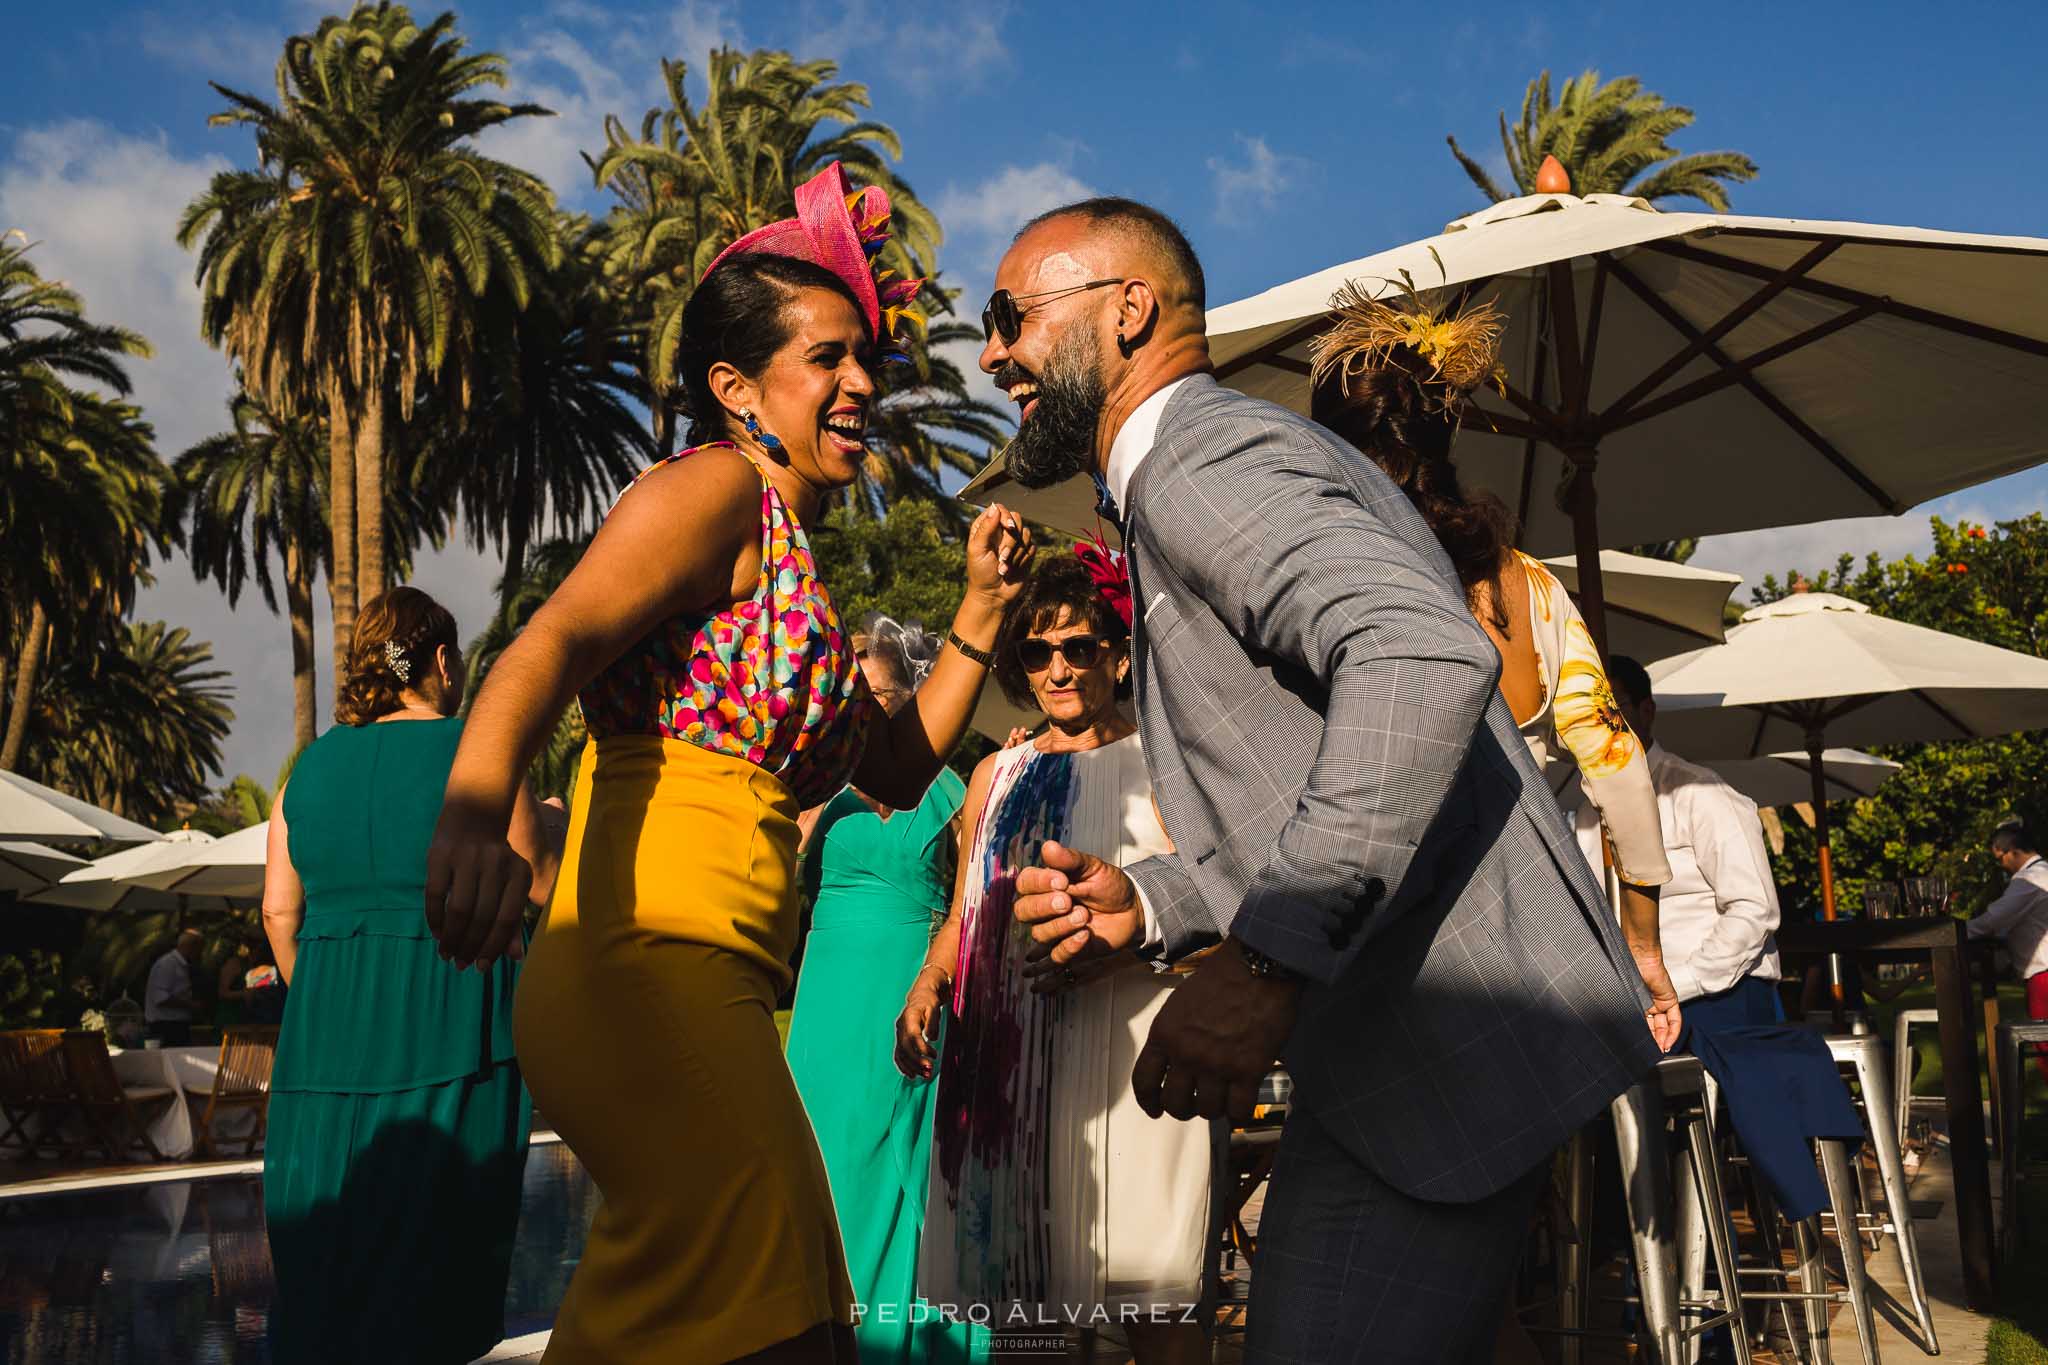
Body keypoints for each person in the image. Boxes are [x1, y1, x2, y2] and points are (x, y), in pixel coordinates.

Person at [990, 198, 1662, 1362]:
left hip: (1434, 1044)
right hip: (1396, 1053)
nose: (990, 352)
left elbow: (1420, 660)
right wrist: (1154, 901)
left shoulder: (1196, 454)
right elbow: (1296, 767)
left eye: (1008, 316)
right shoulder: (1183, 477)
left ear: (1128, 309)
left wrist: (1261, 965)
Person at [424, 163, 1032, 1365]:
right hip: (643, 960)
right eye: (827, 358)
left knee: (771, 1295)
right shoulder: (710, 491)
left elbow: (893, 771)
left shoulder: (787, 554)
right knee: (775, 1309)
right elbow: (551, 638)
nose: (862, 382)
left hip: (712, 972)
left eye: (869, 358)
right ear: (734, 387)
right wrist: (473, 811)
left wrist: (978, 613)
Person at [1308, 284, 1679, 1049]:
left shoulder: (1332, 585)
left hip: (1375, 958)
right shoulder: (1531, 587)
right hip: (1526, 949)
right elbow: (1620, 767)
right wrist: (1643, 943)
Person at [905, 553, 1214, 1365]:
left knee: (1159, 1304)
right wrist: (932, 977)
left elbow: (1215, 914)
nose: (1059, 668)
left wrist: (1126, 948)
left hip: (1134, 1067)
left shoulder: (1170, 770)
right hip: (1013, 1075)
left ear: (1118, 653)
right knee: (1026, 1321)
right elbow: (969, 910)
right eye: (1038, 653)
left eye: (1079, 646)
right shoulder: (993, 775)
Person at [261, 586, 560, 1365]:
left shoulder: (306, 772)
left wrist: (328, 996)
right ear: (438, 660)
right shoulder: (475, 755)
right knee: (436, 1291)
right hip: (451, 1028)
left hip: (318, 1054)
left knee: (325, 1289)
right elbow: (540, 879)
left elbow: (277, 915)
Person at [785, 616, 987, 1365]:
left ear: (913, 697)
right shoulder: (818, 786)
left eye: (879, 695)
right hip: (827, 1003)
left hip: (908, 992)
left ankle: (906, 1341)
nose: (862, 709)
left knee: (903, 1169)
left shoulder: (955, 792)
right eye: (854, 696)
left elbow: (970, 905)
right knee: (829, 1162)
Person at [1573, 656, 1780, 1038]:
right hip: (1627, 1006)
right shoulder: (1586, 813)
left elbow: (1755, 908)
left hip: (1720, 994)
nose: (1600, 722)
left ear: (1646, 710)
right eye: (1588, 712)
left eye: (1612, 706)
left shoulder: (1699, 791)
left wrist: (1685, 981)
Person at [1971, 821, 2048, 1080]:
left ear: (2011, 850)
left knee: (2046, 1048)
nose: (2001, 865)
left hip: (2045, 975)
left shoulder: (2030, 879)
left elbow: (1994, 920)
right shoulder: (2043, 872)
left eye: (1999, 858)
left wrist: (1955, 932)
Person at [143, 929, 203, 1046]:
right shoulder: (167, 964)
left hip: (177, 1024)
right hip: (166, 1026)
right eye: (199, 949)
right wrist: (190, 1004)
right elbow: (160, 997)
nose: (200, 953)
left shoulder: (182, 965)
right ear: (191, 947)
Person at [215, 938, 254, 1029]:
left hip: (242, 1017)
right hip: (229, 1017)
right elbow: (222, 992)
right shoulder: (233, 964)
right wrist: (243, 994)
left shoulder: (247, 964)